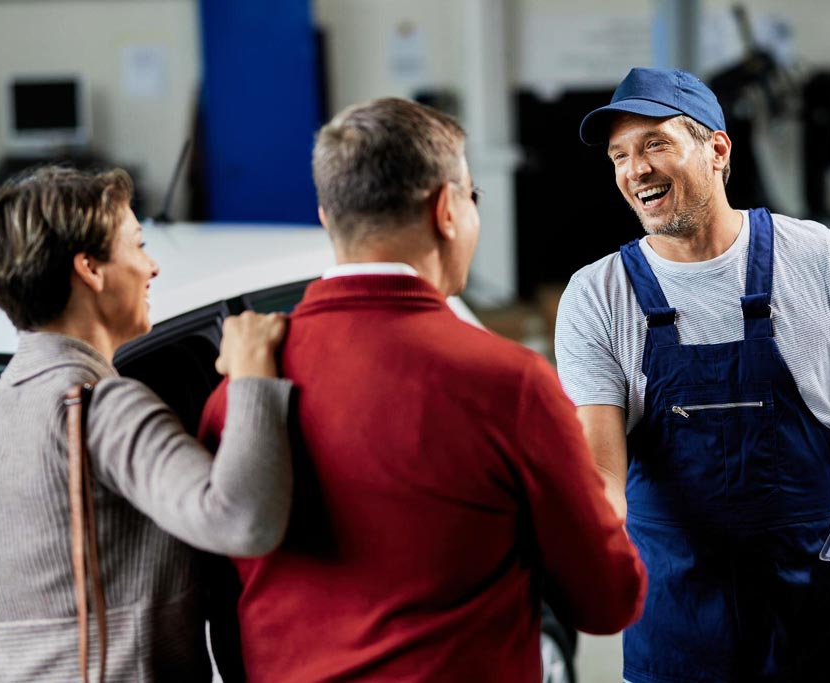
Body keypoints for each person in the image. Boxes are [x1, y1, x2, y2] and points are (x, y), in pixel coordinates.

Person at [199, 96, 647, 682]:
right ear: (447, 210)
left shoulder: (237, 393)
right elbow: (607, 600)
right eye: (473, 197)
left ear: (328, 217)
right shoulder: (508, 385)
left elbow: (215, 613)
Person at [554, 68, 830, 683]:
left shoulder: (818, 259)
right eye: (620, 155)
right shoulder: (597, 294)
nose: (634, 170)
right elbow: (601, 470)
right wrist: (578, 547)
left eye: (655, 144)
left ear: (717, 149)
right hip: (673, 631)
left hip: (813, 626)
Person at [0, 167, 293, 682]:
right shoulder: (100, 407)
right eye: (138, 244)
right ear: (90, 269)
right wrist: (253, 374)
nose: (151, 267)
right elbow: (243, 520)